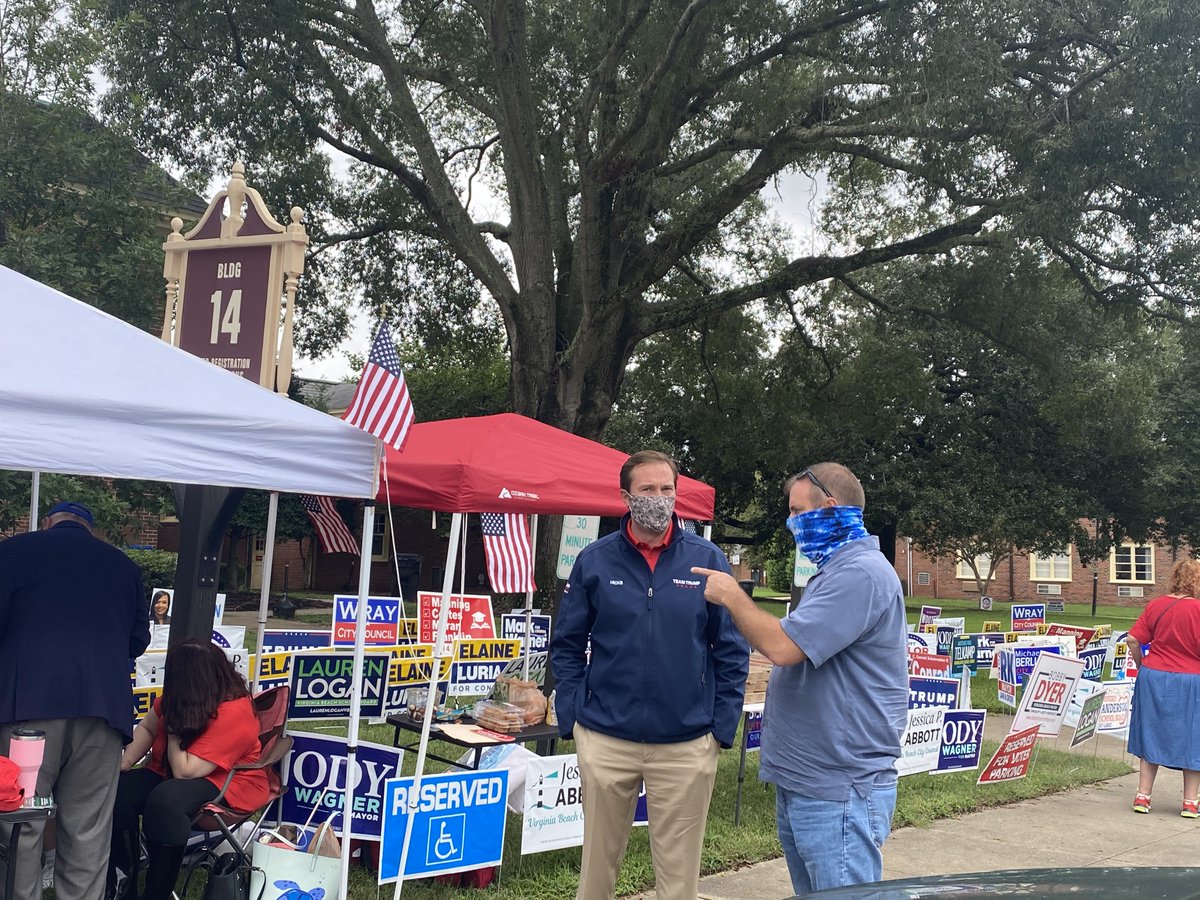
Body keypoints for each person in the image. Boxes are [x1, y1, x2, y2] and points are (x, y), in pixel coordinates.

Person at [692, 463, 908, 895]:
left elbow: (784, 647)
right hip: (809, 779)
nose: (791, 523)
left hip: (839, 786)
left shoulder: (860, 574)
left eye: (796, 511)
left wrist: (734, 596)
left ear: (829, 508)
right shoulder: (836, 571)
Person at [550, 450, 749, 900]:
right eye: (647, 490)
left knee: (679, 882)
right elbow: (566, 644)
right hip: (606, 738)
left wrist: (719, 727)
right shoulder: (595, 560)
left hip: (685, 744)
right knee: (596, 874)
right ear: (625, 496)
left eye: (666, 490)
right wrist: (574, 717)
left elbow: (731, 649)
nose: (658, 499)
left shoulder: (708, 559)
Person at [0, 500, 150, 900]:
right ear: (89, 527)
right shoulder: (124, 566)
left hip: (27, 711)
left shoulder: (12, 552)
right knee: (88, 826)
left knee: (21, 818)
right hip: (103, 711)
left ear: (48, 522)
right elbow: (138, 641)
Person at [109, 639, 267, 900]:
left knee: (167, 800)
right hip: (169, 772)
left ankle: (156, 891)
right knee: (117, 792)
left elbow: (186, 771)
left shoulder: (234, 711)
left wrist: (173, 729)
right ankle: (122, 884)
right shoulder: (179, 699)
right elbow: (148, 727)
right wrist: (125, 763)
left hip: (226, 781)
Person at [1126, 557, 1200, 817]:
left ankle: (1142, 797)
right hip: (1192, 679)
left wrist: (1142, 665)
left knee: (1151, 733)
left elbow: (1133, 639)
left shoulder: (1157, 605)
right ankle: (1190, 803)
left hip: (1153, 675)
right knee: (1194, 738)